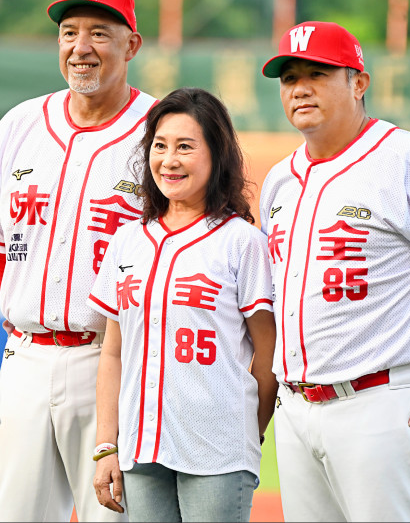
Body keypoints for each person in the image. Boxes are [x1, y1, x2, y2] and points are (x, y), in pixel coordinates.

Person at [259, 21, 410, 522]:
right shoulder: (280, 180)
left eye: (318, 73)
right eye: (289, 77)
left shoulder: (407, 159)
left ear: (359, 82)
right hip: (298, 408)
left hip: (383, 403)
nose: (300, 88)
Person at [0, 0, 156, 522]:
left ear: (131, 44)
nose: (80, 47)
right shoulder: (19, 124)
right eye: (69, 32)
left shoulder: (162, 130)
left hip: (116, 363)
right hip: (25, 358)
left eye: (99, 33)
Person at [89, 87, 278, 522]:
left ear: (217, 155)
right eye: (160, 146)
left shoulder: (242, 242)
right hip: (141, 448)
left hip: (217, 451)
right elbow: (114, 351)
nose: (169, 160)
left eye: (185, 147)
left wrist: (249, 430)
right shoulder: (129, 240)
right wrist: (106, 445)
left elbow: (267, 356)